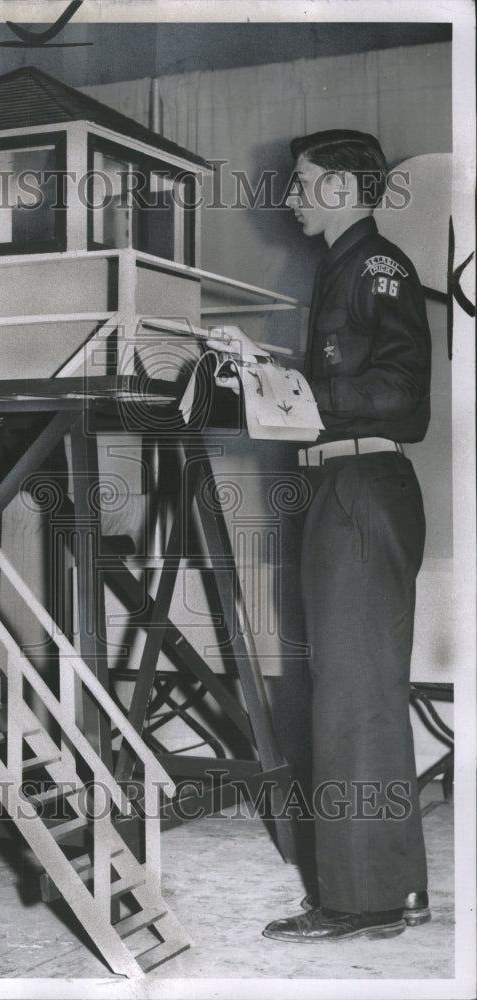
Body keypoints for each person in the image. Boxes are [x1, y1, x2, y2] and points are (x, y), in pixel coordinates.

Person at [262, 130, 432, 942]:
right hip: (346, 485)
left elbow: (402, 392)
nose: (290, 195)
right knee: (359, 694)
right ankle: (393, 887)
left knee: (352, 700)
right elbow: (338, 386)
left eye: (302, 182)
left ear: (341, 187)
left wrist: (297, 385)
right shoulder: (343, 268)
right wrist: (264, 372)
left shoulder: (374, 266)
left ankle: (360, 902)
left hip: (361, 488)